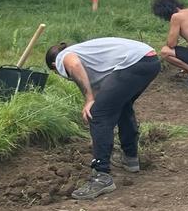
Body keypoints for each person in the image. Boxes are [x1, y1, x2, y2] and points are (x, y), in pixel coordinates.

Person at [46, 37, 160, 200]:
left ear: (53, 66)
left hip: (135, 61)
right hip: (149, 60)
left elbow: (74, 64)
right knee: (121, 105)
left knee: (98, 115)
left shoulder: (63, 57)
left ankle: (101, 176)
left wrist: (89, 99)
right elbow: (108, 92)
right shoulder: (88, 55)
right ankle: (130, 158)